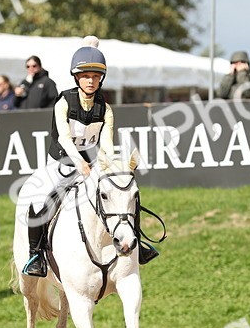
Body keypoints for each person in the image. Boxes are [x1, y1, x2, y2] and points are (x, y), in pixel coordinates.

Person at [20, 41, 157, 277]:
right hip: (61, 161)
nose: (91, 81)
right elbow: (63, 138)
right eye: (85, 76)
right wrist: (79, 162)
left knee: (123, 192)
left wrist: (107, 166)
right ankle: (37, 255)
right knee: (41, 200)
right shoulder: (64, 102)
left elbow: (106, 145)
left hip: (92, 163)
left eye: (95, 76)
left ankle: (138, 246)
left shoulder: (105, 109)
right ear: (76, 78)